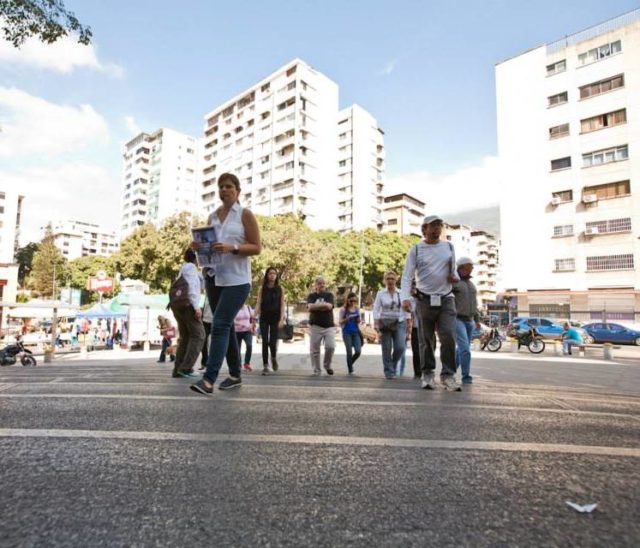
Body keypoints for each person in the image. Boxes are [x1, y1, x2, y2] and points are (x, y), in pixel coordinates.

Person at [191, 173, 262, 395]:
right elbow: (210, 244)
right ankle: (235, 374)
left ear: (238, 191)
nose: (224, 190)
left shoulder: (245, 214)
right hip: (214, 277)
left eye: (229, 186)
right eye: (221, 187)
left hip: (237, 280)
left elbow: (257, 247)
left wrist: (232, 247)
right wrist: (198, 247)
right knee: (227, 325)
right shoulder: (212, 216)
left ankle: (209, 378)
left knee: (220, 324)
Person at [400, 215, 461, 391]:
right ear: (424, 229)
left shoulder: (449, 247)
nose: (436, 229)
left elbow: (454, 272)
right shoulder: (416, 250)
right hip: (423, 299)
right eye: (432, 226)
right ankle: (427, 374)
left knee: (448, 335)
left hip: (446, 297)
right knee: (426, 340)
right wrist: (405, 297)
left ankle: (448, 375)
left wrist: (454, 277)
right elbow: (407, 276)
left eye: (439, 226)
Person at [170, 248, 205, 378]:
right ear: (196, 258)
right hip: (188, 306)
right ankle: (186, 368)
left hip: (179, 306)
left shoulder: (185, 268)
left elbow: (200, 285)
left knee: (185, 337)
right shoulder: (190, 268)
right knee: (199, 335)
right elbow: (191, 288)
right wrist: (196, 307)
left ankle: (178, 369)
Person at [373, 271, 411, 379]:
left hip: (399, 322)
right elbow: (376, 308)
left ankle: (392, 365)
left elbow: (406, 308)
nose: (390, 281)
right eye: (388, 279)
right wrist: (376, 322)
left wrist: (408, 323)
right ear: (385, 280)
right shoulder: (380, 293)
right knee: (386, 348)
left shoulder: (401, 293)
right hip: (385, 323)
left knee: (400, 347)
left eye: (392, 279)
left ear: (396, 280)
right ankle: (389, 371)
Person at [452, 256, 480, 385]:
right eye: (471, 266)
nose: (473, 268)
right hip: (457, 319)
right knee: (465, 349)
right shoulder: (454, 282)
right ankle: (466, 377)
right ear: (463, 267)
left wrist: (477, 319)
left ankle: (450, 372)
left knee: (461, 350)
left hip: (470, 321)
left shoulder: (471, 284)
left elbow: (475, 303)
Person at [255, 267, 285, 375]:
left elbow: (282, 304)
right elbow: (258, 303)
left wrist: (282, 318)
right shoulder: (261, 289)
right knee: (264, 341)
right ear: (267, 275)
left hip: (275, 317)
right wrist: (254, 316)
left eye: (274, 273)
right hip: (264, 317)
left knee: (273, 342)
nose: (272, 275)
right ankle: (265, 365)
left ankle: (273, 358)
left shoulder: (280, 288)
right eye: (270, 273)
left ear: (276, 276)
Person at [307, 276, 336, 376]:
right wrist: (323, 306)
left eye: (323, 283)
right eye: (319, 283)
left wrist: (316, 307)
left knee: (330, 347)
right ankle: (317, 370)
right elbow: (310, 307)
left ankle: (327, 365)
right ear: (315, 285)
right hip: (315, 326)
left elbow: (329, 306)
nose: (322, 285)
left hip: (329, 326)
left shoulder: (329, 295)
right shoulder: (311, 296)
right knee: (315, 350)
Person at [339, 292, 362, 375]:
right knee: (349, 351)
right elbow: (340, 322)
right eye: (351, 300)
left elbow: (359, 320)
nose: (352, 302)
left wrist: (358, 319)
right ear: (347, 300)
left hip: (356, 332)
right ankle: (350, 370)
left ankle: (350, 362)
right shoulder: (343, 309)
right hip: (346, 332)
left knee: (358, 351)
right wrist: (346, 319)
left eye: (354, 301)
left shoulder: (357, 309)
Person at [234, 302, 255, 372]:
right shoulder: (234, 307)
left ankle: (247, 363)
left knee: (249, 345)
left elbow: (253, 317)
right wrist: (241, 324)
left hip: (247, 331)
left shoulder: (248, 307)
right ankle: (238, 364)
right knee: (237, 349)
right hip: (237, 331)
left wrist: (252, 325)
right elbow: (231, 319)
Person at [199, 298, 212, 370]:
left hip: (214, 322)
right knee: (203, 342)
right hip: (205, 322)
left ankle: (212, 364)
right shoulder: (206, 298)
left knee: (213, 344)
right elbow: (204, 308)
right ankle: (204, 363)